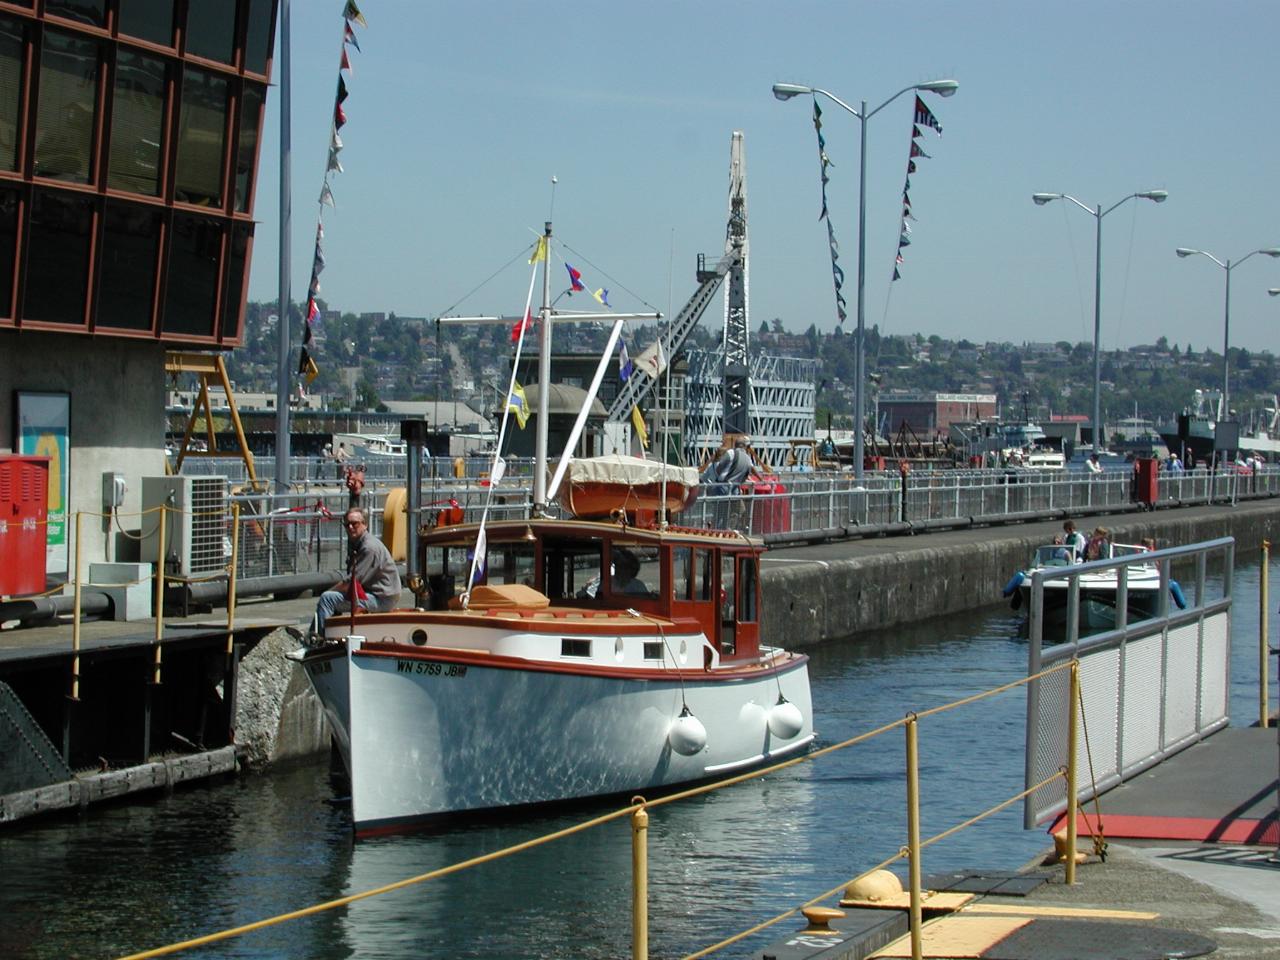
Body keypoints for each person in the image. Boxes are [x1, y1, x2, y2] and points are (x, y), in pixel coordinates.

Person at [309, 507, 401, 642]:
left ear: (365, 524)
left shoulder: (369, 547)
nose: (350, 527)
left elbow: (351, 582)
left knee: (327, 598)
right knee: (333, 598)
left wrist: (330, 591)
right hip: (379, 594)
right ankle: (330, 633)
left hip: (382, 598)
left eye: (355, 523)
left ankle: (318, 640)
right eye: (347, 524)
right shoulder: (360, 542)